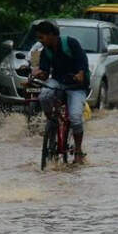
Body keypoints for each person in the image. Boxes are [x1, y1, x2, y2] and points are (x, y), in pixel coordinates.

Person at [32, 20, 90, 164]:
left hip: (76, 86)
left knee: (76, 118)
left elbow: (83, 62)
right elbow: (45, 73)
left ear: (51, 35)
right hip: (58, 82)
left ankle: (77, 151)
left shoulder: (71, 43)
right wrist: (38, 74)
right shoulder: (46, 52)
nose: (40, 41)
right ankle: (51, 120)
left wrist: (80, 74)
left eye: (42, 37)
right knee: (44, 95)